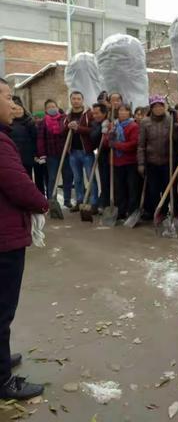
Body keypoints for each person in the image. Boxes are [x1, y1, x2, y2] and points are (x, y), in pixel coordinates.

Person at [0, 77, 48, 400]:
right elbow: (17, 185)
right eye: (6, 96)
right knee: (2, 309)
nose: (11, 102)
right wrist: (43, 202)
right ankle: (3, 380)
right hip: (4, 239)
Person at [138, 95, 177, 221]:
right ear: (151, 108)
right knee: (153, 190)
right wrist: (141, 163)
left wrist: (175, 118)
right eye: (155, 106)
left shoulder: (169, 120)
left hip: (167, 162)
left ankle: (165, 211)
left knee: (167, 189)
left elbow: (176, 138)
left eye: (161, 106)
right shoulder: (145, 122)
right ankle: (157, 211)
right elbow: (141, 146)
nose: (158, 109)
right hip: (152, 162)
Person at [105, 105, 140, 220]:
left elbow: (133, 144)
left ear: (129, 113)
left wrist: (116, 145)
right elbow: (106, 144)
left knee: (132, 187)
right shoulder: (113, 125)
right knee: (119, 188)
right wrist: (108, 137)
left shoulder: (133, 126)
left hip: (130, 162)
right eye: (120, 110)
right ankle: (120, 210)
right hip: (116, 162)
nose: (122, 113)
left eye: (125, 111)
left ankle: (132, 211)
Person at [37, 99, 73, 208]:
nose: (52, 108)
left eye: (53, 106)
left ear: (57, 107)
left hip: (65, 154)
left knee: (68, 176)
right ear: (45, 110)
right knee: (52, 178)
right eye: (49, 107)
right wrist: (42, 154)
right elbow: (40, 139)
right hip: (51, 155)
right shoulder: (43, 122)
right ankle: (52, 201)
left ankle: (67, 200)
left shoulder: (64, 119)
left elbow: (69, 134)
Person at [66, 91, 98, 213]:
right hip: (73, 152)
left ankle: (94, 203)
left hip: (86, 152)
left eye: (78, 99)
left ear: (82, 100)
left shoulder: (88, 114)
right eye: (73, 98)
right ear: (71, 100)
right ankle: (80, 201)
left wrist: (78, 128)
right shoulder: (68, 115)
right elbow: (62, 131)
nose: (76, 101)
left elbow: (93, 130)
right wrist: (67, 126)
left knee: (91, 178)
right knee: (77, 179)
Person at [10, 96, 37, 178]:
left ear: (23, 110)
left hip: (27, 157)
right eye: (15, 109)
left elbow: (35, 138)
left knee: (28, 178)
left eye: (20, 109)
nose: (18, 111)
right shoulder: (9, 123)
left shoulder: (30, 122)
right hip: (14, 157)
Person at [90, 103, 110, 212]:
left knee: (115, 182)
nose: (95, 116)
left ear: (104, 113)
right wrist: (101, 128)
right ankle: (104, 203)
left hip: (114, 156)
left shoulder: (111, 122)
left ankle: (111, 203)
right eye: (94, 113)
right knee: (104, 180)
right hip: (102, 156)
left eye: (97, 113)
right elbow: (93, 138)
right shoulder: (95, 124)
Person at [32, 111, 48, 196]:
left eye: (40, 118)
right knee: (38, 178)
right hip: (36, 157)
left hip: (45, 156)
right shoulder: (32, 128)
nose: (38, 120)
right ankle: (41, 195)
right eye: (36, 118)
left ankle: (49, 197)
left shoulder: (45, 127)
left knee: (47, 177)